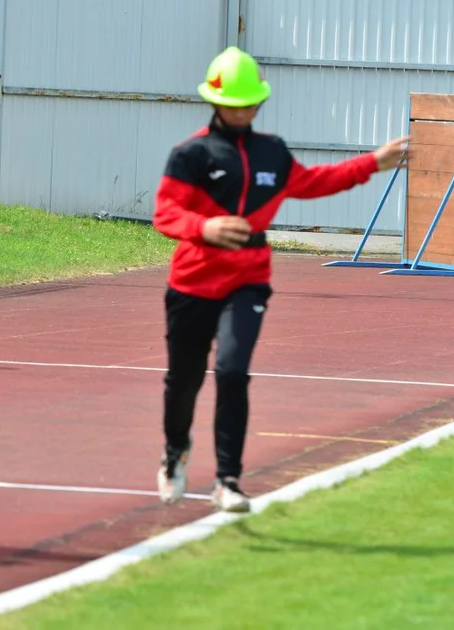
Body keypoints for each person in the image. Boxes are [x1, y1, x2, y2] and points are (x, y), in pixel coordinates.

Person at [152, 46, 409, 513]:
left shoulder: (272, 151)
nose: (240, 109)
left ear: (259, 103)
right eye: (232, 102)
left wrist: (373, 161)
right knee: (184, 380)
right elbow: (166, 212)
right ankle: (174, 455)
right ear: (214, 100)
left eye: (248, 102)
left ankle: (228, 480)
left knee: (232, 372)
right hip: (191, 282)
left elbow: (315, 181)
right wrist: (204, 227)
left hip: (247, 280)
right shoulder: (190, 154)